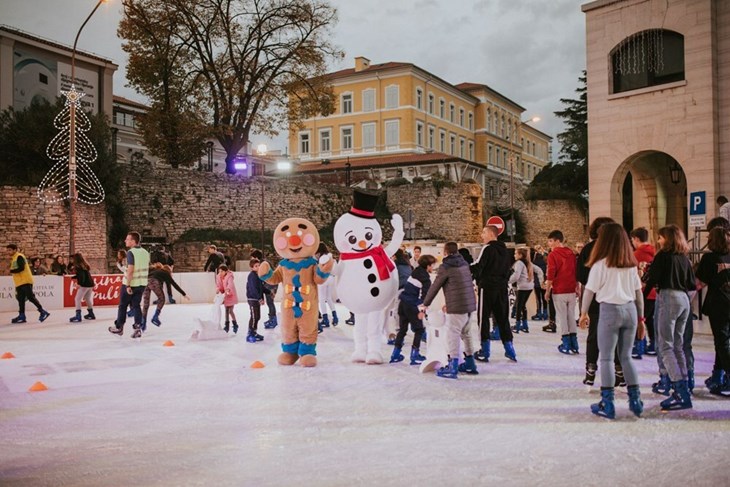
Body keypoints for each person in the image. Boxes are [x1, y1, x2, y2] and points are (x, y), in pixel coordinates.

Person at [578, 223, 644, 419]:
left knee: (606, 358)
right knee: (626, 357)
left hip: (609, 311)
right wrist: (641, 319)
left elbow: (589, 291)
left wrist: (583, 313)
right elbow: (638, 293)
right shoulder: (630, 264)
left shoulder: (600, 264)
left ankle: (608, 402)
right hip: (630, 311)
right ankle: (635, 401)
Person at [642, 224, 696, 411]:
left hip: (668, 298)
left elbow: (652, 279)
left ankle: (679, 391)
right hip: (684, 300)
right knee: (678, 345)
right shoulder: (684, 259)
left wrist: (643, 298)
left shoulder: (663, 257)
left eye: (660, 237)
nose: (658, 240)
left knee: (665, 346)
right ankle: (685, 385)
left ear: (668, 239)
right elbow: (691, 283)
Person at [422, 242, 478, 378]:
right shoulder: (464, 264)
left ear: (445, 252)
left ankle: (453, 366)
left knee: (452, 334)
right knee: (466, 333)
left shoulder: (446, 266)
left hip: (457, 306)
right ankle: (470, 363)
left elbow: (436, 286)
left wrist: (425, 303)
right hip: (469, 305)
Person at [576, 217, 616, 385]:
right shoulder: (618, 250)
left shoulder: (589, 249)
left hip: (595, 298)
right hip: (616, 299)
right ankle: (618, 372)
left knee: (594, 335)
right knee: (616, 337)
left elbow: (581, 276)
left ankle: (591, 370)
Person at [471, 225, 516, 362]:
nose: (481, 235)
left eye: (484, 232)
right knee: (502, 318)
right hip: (502, 288)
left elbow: (479, 266)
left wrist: (465, 269)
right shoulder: (505, 251)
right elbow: (509, 270)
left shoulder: (488, 248)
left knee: (483, 318)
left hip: (487, 287)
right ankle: (510, 349)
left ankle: (485, 350)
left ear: (491, 234)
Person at [696, 226, 730, 395]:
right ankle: (717, 376)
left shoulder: (709, 259)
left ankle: (726, 377)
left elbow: (700, 283)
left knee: (722, 342)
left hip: (719, 305)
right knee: (722, 342)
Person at [390, 254, 436, 365]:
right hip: (412, 305)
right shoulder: (425, 279)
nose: (433, 267)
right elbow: (423, 297)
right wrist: (422, 311)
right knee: (419, 330)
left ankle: (395, 353)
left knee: (402, 329)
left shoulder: (415, 271)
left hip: (403, 303)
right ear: (428, 266)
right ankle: (415, 355)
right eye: (432, 265)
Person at [109, 232, 150, 339]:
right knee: (136, 306)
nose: (125, 241)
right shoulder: (146, 252)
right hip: (142, 284)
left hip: (131, 284)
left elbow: (131, 270)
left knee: (122, 306)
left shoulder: (131, 253)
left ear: (133, 241)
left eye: (127, 239)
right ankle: (138, 328)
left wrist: (128, 285)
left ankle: (119, 327)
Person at [546, 230, 579, 355]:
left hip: (559, 290)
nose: (549, 244)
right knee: (571, 315)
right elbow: (575, 271)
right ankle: (574, 343)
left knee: (562, 317)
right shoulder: (571, 253)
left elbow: (551, 273)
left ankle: (565, 343)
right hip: (570, 288)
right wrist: (577, 287)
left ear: (557, 241)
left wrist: (548, 290)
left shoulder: (553, 255)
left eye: (551, 241)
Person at [630, 227, 657, 357]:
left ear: (636, 239)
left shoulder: (635, 255)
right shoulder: (655, 253)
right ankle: (653, 344)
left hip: (642, 292)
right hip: (655, 292)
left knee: (639, 319)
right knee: (650, 319)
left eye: (632, 240)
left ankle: (638, 346)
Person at [6, 244, 50, 324]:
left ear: (15, 250)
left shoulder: (19, 256)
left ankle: (43, 311)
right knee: (21, 299)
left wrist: (11, 271)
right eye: (7, 250)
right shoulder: (14, 258)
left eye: (10, 250)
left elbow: (21, 268)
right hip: (19, 282)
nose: (8, 252)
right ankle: (22, 315)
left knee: (30, 297)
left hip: (25, 280)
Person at [141, 263, 188, 329]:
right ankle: (155, 316)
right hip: (155, 282)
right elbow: (174, 284)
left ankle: (143, 323)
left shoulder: (155, 271)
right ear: (168, 270)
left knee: (146, 304)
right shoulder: (166, 273)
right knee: (162, 299)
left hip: (146, 282)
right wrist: (184, 294)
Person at [251, 249, 279, 329]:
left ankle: (273, 320)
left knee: (270, 302)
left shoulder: (263, 264)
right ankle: (272, 318)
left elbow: (267, 275)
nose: (252, 260)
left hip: (271, 284)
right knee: (270, 302)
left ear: (256, 257)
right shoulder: (263, 262)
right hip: (271, 283)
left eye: (252, 257)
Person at [509, 247, 535, 333]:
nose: (514, 255)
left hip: (523, 286)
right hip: (529, 286)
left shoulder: (519, 263)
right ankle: (525, 325)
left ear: (520, 255)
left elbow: (516, 275)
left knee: (519, 306)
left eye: (515, 253)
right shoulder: (528, 262)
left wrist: (508, 281)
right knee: (523, 305)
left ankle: (517, 325)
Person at [314, 244, 338, 331]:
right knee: (328, 298)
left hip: (324, 278)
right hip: (332, 278)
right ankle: (335, 316)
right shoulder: (330, 257)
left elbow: (319, 269)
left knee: (322, 299)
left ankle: (325, 319)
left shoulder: (322, 258)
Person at [68, 252, 95, 322]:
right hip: (90, 284)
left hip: (85, 285)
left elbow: (82, 277)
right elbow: (84, 275)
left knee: (77, 299)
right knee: (87, 298)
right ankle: (91, 313)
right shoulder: (84, 265)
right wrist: (74, 277)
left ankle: (78, 315)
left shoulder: (78, 266)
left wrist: (79, 284)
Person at [217, 264, 242, 335]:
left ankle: (235, 324)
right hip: (225, 295)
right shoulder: (219, 277)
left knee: (230, 310)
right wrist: (218, 289)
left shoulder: (229, 276)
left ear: (226, 271)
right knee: (226, 310)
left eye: (222, 271)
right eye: (219, 271)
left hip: (231, 295)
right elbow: (219, 285)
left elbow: (230, 284)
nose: (220, 273)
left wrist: (228, 289)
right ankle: (227, 325)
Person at [246, 260, 267, 343]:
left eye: (259, 265)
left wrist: (269, 292)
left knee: (257, 316)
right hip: (252, 299)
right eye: (256, 266)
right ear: (252, 267)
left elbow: (261, 287)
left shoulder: (258, 275)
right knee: (254, 316)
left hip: (256, 299)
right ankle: (250, 333)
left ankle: (254, 332)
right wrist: (259, 298)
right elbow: (253, 288)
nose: (258, 267)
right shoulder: (252, 276)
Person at [530, 247, 548, 321]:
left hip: (537, 282)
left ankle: (539, 313)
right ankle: (545, 313)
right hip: (544, 282)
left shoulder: (533, 260)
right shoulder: (545, 260)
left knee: (538, 299)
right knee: (544, 298)